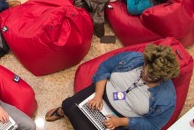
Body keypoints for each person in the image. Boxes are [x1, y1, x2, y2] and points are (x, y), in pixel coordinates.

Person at [45, 44, 180, 130]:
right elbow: (105, 68)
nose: (144, 75)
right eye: (143, 68)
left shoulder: (167, 98)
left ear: (162, 77)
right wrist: (98, 95)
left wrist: (122, 122)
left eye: (150, 76)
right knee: (68, 105)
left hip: (122, 118)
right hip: (101, 94)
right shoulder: (133, 58)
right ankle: (63, 111)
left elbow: (153, 125)